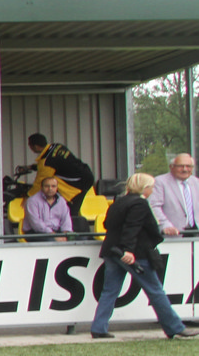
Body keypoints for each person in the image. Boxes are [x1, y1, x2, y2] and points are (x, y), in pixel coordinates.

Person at [89, 173, 199, 340]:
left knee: (110, 291)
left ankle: (99, 327)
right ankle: (174, 327)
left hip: (112, 251)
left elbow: (107, 224)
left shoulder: (118, 202)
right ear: (144, 188)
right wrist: (128, 250)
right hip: (135, 254)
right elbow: (132, 228)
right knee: (155, 290)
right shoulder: (139, 203)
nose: (152, 190)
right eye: (151, 187)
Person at [27, 133, 95, 213]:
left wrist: (29, 196)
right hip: (86, 173)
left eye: (30, 146)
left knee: (71, 210)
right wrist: (32, 167)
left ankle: (71, 217)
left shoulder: (46, 162)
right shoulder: (57, 146)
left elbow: (40, 183)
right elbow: (57, 164)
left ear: (36, 147)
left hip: (79, 182)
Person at [149, 153, 199, 236]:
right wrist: (165, 225)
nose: (185, 169)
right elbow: (153, 206)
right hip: (172, 234)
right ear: (171, 167)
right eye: (181, 166)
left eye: (188, 166)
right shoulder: (160, 182)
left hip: (196, 233)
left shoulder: (196, 182)